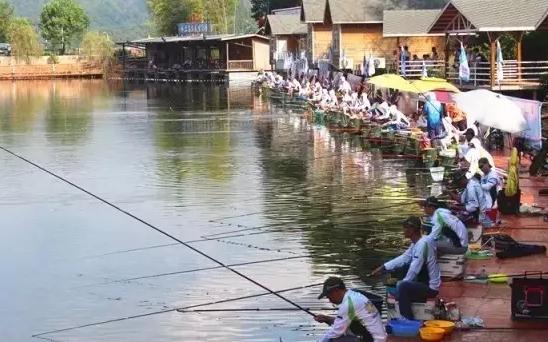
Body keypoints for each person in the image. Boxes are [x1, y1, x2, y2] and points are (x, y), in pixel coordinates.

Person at [371, 216, 440, 320]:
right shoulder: (417, 243)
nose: (403, 231)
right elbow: (404, 258)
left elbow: (414, 269)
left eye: (405, 228)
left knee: (403, 286)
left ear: (412, 229)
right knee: (396, 273)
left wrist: (401, 285)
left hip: (430, 287)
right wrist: (383, 267)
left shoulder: (422, 245)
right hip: (422, 281)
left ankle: (407, 318)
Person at [315, 277, 387, 342]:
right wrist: (326, 318)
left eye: (329, 297)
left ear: (336, 291)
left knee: (333, 339)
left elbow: (335, 333)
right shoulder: (355, 296)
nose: (330, 300)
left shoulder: (348, 304)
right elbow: (345, 323)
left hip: (372, 339)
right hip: (379, 337)